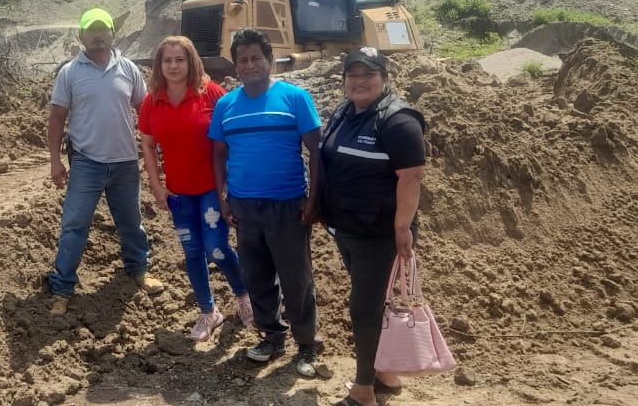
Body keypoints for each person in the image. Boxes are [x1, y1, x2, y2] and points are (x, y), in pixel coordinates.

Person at [208, 28, 324, 376]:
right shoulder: (226, 105)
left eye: (256, 58)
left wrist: (314, 199)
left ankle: (307, 344)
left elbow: (316, 151)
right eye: (242, 60)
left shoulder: (295, 98)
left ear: (270, 61)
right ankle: (272, 337)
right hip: (244, 206)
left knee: (296, 278)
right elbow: (218, 154)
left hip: (288, 205)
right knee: (256, 277)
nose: (249, 65)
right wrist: (223, 198)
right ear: (235, 66)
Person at [317, 46, 426, 406]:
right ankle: (384, 373)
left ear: (384, 78)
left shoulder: (399, 121)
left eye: (369, 74)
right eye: (354, 74)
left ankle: (364, 390)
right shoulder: (344, 112)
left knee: (363, 308)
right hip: (348, 228)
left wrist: (402, 228)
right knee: (373, 302)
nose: (360, 81)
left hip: (379, 233)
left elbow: (411, 177)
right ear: (344, 79)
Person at [45, 7, 165, 316]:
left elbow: (144, 110)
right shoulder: (70, 73)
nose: (98, 35)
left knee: (131, 222)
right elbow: (57, 117)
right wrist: (55, 161)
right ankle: (62, 288)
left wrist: (153, 149)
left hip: (125, 162)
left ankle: (139, 269)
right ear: (81, 36)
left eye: (103, 29)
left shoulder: (128, 69)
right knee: (74, 224)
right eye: (91, 30)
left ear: (113, 33)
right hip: (87, 162)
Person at [138, 35, 252, 342]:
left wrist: (232, 183)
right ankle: (208, 311)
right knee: (192, 251)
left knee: (216, 248)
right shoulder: (152, 101)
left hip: (212, 189)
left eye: (180, 59)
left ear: (191, 62)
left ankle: (243, 295)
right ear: (159, 65)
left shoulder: (211, 93)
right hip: (178, 193)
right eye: (167, 60)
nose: (173, 66)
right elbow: (147, 145)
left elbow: (234, 136)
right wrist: (157, 186)